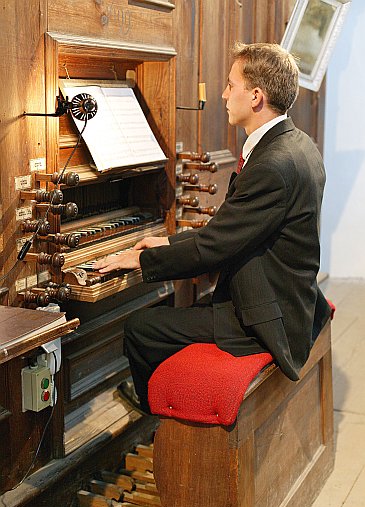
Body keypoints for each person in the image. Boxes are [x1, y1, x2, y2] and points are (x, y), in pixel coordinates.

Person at [94, 42, 332, 415]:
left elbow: (214, 246)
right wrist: (168, 240)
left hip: (267, 319)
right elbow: (230, 232)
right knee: (183, 309)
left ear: (256, 96)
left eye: (230, 85)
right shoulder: (297, 144)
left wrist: (141, 261)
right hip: (284, 295)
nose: (223, 94)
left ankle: (163, 419)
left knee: (142, 328)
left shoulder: (273, 164)